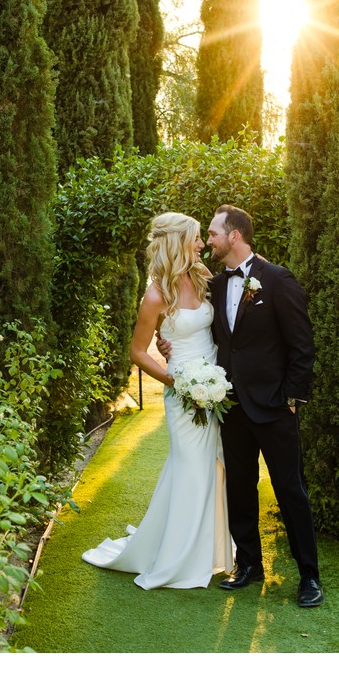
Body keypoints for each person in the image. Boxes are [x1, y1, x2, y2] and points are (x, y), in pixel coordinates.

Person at [159, 204, 323, 608]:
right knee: (240, 489)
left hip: (274, 407)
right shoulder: (213, 284)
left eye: (213, 233)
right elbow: (197, 330)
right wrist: (167, 344)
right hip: (229, 406)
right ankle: (249, 564)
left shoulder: (278, 280)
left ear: (234, 236)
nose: (208, 240)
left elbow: (302, 346)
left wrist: (292, 398)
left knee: (290, 490)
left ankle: (309, 577)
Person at [81, 212, 233, 589]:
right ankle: (179, 558)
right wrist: (179, 382)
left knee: (215, 465)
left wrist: (210, 383)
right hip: (183, 392)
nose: (201, 245)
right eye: (196, 238)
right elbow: (138, 352)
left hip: (215, 385)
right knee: (191, 466)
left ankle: (212, 549)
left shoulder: (201, 278)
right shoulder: (155, 295)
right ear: (177, 242)